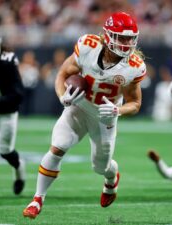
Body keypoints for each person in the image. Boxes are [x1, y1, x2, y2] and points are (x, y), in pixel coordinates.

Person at [23, 12, 146, 219]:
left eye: (130, 38)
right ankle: (37, 199)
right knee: (57, 147)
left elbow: (135, 103)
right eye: (121, 37)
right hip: (79, 107)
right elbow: (62, 73)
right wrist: (63, 97)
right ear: (107, 36)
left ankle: (111, 179)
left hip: (104, 117)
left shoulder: (133, 67)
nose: (127, 43)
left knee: (101, 167)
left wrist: (118, 110)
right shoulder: (88, 46)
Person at [0, 37, 26, 195]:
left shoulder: (7, 63)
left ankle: (19, 168)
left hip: (6, 111)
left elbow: (18, 95)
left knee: (5, 150)